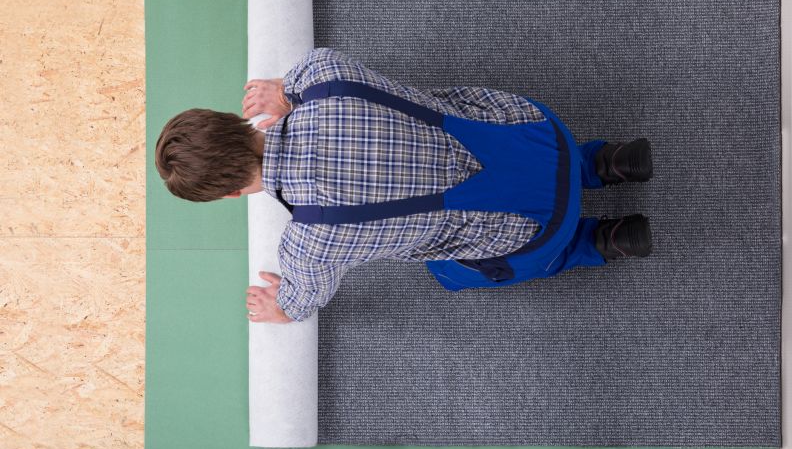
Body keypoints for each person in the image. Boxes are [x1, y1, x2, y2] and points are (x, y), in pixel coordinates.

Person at [155, 47, 653, 325]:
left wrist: (280, 309)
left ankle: (601, 241)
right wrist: (286, 92)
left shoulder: (308, 245)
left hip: (541, 232)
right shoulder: (323, 75)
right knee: (465, 118)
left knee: (449, 272)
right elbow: (301, 75)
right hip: (540, 131)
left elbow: (300, 303)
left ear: (230, 194)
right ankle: (605, 162)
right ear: (235, 120)